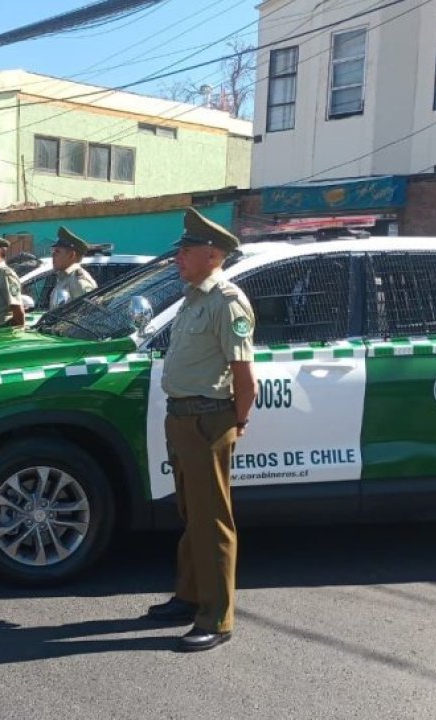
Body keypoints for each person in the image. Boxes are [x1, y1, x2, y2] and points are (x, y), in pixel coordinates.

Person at [144, 208, 255, 653]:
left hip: (208, 419)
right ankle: (190, 596)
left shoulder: (228, 302)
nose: (179, 258)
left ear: (213, 254)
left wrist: (238, 421)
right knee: (192, 514)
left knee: (213, 521)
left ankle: (217, 617)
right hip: (183, 418)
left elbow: (245, 378)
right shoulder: (194, 298)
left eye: (187, 251)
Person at [49, 226, 98, 306]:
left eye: (57, 251)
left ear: (71, 255)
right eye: (53, 251)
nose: (53, 255)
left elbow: (87, 315)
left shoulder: (79, 281)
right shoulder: (64, 278)